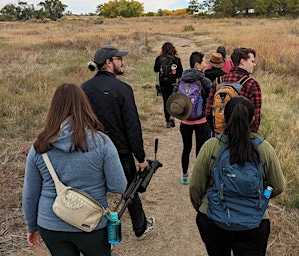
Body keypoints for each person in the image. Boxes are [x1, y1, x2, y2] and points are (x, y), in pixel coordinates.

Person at [23, 83, 128, 255]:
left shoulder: (39, 147)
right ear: (85, 106)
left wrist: (31, 226)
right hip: (91, 224)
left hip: (51, 224)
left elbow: (29, 194)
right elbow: (119, 186)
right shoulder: (102, 142)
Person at [189, 96, 285, 256]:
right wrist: (264, 196)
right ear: (253, 119)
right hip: (254, 223)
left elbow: (195, 187)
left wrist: (204, 207)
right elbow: (278, 185)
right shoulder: (264, 148)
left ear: (225, 117)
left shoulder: (211, 146)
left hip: (213, 219)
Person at [81, 45, 155, 240]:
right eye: (119, 59)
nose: (123, 62)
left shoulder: (83, 89)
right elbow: (132, 126)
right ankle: (140, 227)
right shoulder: (123, 89)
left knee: (94, 191)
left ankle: (93, 230)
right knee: (129, 190)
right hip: (119, 152)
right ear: (108, 63)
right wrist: (140, 157)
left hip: (90, 151)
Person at [167, 51, 211, 185]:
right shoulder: (204, 80)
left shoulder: (181, 79)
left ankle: (185, 176)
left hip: (185, 121)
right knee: (200, 150)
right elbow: (211, 98)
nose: (206, 64)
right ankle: (199, 178)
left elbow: (175, 98)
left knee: (186, 148)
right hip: (202, 121)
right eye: (204, 61)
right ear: (197, 64)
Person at [206, 47, 261, 134]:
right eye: (252, 61)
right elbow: (255, 119)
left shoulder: (218, 81)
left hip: (220, 136)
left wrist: (218, 132)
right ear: (242, 62)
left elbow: (209, 113)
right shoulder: (251, 84)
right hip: (242, 138)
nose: (254, 65)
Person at [153, 42, 184, 128]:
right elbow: (181, 73)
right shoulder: (176, 60)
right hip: (173, 83)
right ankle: (172, 117)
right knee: (173, 100)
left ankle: (167, 120)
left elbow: (155, 69)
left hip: (163, 83)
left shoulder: (159, 59)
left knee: (165, 101)